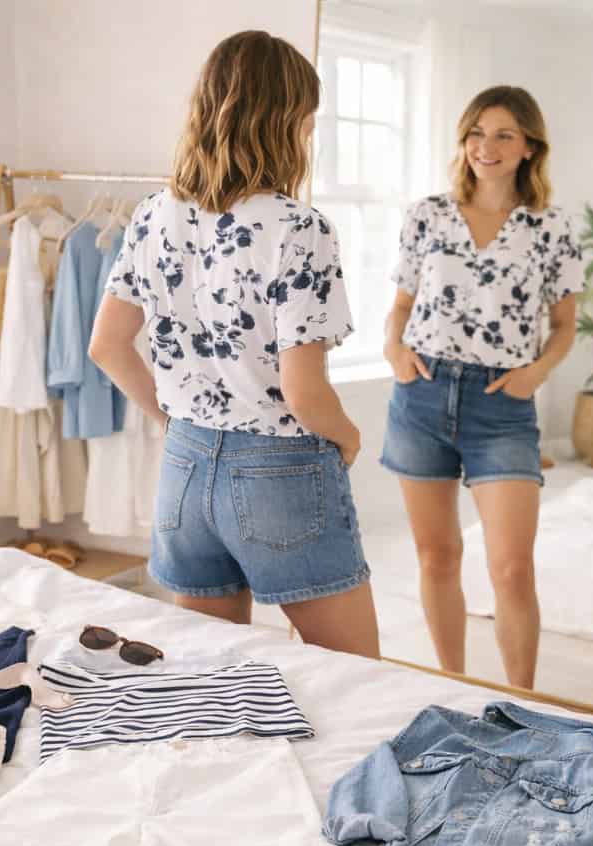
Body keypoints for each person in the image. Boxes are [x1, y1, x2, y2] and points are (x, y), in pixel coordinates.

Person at [89, 30, 379, 658]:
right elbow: (305, 393)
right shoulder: (299, 227)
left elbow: (108, 346)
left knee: (211, 676)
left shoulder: (151, 214)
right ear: (287, 119)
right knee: (359, 680)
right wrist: (350, 438)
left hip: (186, 467)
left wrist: (175, 420)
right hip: (279, 467)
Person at [381, 85, 584, 689]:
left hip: (502, 406)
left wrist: (534, 374)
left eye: (503, 135)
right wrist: (393, 349)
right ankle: (453, 686)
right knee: (437, 558)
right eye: (476, 133)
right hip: (421, 394)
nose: (485, 147)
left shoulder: (551, 227)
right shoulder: (427, 214)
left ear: (528, 147)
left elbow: (565, 325)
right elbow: (399, 306)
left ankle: (520, 700)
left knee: (512, 569)